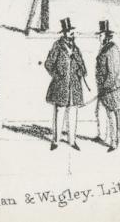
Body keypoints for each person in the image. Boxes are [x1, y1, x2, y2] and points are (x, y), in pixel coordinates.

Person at [44, 18, 88, 151]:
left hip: (74, 88)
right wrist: (58, 76)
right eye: (69, 32)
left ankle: (72, 141)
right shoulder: (57, 46)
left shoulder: (76, 49)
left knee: (73, 113)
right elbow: (48, 64)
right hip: (61, 87)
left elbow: (84, 69)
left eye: (72, 32)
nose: (72, 34)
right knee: (59, 112)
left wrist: (81, 71)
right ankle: (56, 141)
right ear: (64, 33)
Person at [94, 20, 120, 152]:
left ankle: (114, 142)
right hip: (102, 88)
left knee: (112, 115)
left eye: (100, 35)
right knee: (100, 112)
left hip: (110, 89)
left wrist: (105, 87)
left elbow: (113, 72)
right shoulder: (104, 48)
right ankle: (102, 136)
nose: (99, 37)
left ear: (106, 36)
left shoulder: (112, 49)